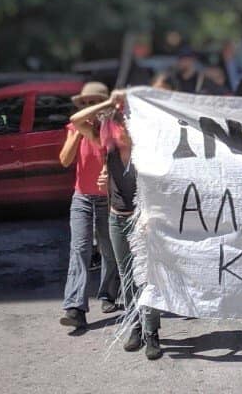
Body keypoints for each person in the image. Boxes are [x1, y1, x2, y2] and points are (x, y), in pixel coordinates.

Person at [92, 91, 164, 360]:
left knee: (146, 278)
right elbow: (77, 120)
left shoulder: (147, 153)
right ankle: (135, 327)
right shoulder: (109, 154)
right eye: (117, 125)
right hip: (116, 218)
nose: (120, 131)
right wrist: (108, 103)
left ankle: (151, 333)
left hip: (143, 219)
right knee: (126, 278)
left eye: (124, 124)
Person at [59, 82, 119, 329]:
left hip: (108, 199)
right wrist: (75, 136)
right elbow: (64, 160)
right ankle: (75, 307)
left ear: (104, 106)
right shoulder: (76, 126)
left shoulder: (112, 129)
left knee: (109, 249)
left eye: (94, 102)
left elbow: (121, 162)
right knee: (80, 249)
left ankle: (107, 294)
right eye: (86, 103)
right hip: (82, 197)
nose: (89, 106)